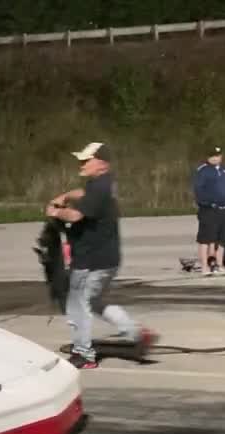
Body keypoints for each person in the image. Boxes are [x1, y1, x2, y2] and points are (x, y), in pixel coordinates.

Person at [46, 142, 157, 369]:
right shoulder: (102, 184)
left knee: (77, 306)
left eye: (87, 160)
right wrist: (67, 194)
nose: (82, 163)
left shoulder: (99, 188)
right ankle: (137, 333)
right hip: (106, 258)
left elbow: (76, 216)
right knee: (94, 302)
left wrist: (56, 211)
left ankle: (84, 355)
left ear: (102, 164)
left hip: (91, 260)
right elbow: (83, 194)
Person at [192, 145, 225, 276]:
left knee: (222, 239)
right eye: (212, 156)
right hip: (209, 210)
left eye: (217, 156)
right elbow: (199, 190)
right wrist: (208, 203)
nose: (215, 158)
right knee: (206, 238)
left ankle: (219, 265)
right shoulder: (203, 171)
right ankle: (205, 267)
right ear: (208, 157)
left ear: (221, 156)